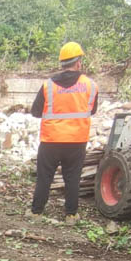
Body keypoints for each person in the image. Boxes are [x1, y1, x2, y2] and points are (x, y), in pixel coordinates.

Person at [30, 41, 99, 221]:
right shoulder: (91, 85)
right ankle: (70, 214)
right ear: (78, 63)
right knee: (73, 178)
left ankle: (36, 212)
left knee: (44, 177)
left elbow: (35, 112)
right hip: (76, 140)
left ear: (61, 64)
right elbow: (92, 110)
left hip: (51, 139)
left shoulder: (48, 85)